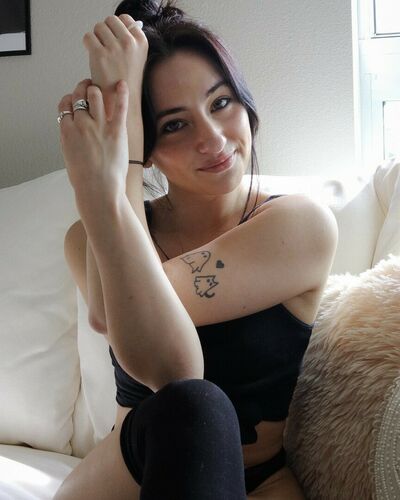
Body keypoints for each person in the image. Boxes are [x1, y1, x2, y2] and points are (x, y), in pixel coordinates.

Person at [55, 1, 338, 498]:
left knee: (199, 404)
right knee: (193, 406)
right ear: (146, 146)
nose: (212, 138)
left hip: (258, 482)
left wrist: (107, 190)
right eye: (174, 125)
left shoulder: (299, 225)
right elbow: (154, 352)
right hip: (132, 474)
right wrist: (114, 165)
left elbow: (161, 336)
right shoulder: (87, 233)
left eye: (221, 102)